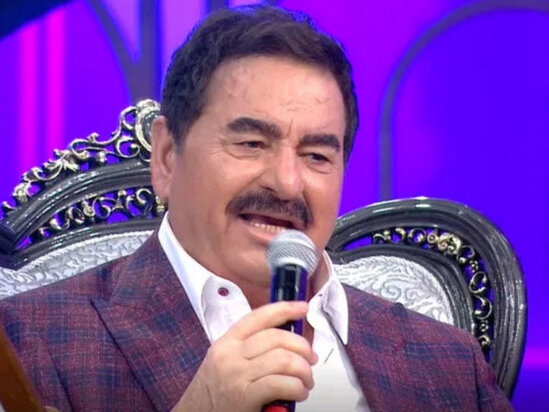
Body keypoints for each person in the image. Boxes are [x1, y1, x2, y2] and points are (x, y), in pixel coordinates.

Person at [0, 5, 512, 412]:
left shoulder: (447, 363)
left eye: (316, 156)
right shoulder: (31, 342)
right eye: (251, 144)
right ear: (168, 156)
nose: (286, 182)